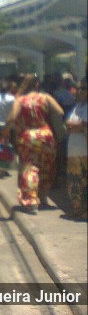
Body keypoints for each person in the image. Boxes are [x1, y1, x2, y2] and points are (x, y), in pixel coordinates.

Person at [4, 74, 65, 214]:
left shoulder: (20, 100)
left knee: (29, 168)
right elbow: (60, 111)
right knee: (46, 166)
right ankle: (42, 196)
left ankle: (31, 200)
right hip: (45, 135)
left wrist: (6, 133)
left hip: (27, 137)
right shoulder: (46, 98)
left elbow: (11, 118)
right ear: (37, 85)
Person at [65, 77, 87, 221]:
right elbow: (68, 123)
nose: (78, 92)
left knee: (83, 182)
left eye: (82, 89)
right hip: (74, 153)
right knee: (75, 182)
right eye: (78, 89)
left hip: (84, 153)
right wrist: (75, 126)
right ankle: (78, 210)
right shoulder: (78, 106)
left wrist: (75, 126)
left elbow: (82, 125)